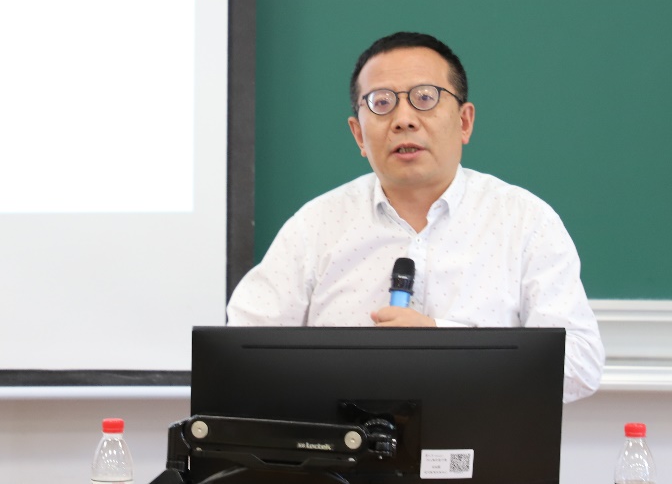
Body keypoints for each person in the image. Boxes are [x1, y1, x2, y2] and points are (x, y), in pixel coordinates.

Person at [227, 32, 605, 402]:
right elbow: (239, 353)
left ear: (464, 122)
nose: (404, 119)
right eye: (381, 102)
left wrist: (443, 344)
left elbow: (580, 365)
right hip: (343, 441)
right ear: (358, 135)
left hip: (478, 440)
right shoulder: (315, 226)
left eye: (425, 98)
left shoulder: (525, 222)